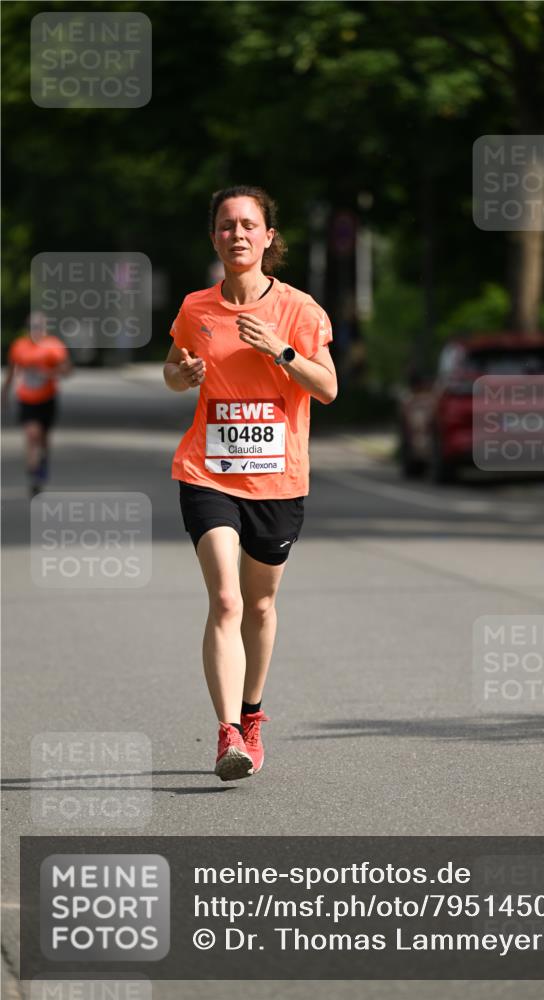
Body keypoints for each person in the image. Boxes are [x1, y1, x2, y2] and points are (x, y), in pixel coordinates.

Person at [163, 185, 337, 781]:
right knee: (227, 600)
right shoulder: (196, 309)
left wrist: (283, 352)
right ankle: (228, 734)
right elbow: (173, 370)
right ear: (214, 236)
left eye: (247, 225)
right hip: (207, 472)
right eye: (225, 225)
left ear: (267, 238)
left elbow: (329, 387)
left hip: (278, 481)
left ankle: (253, 711)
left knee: (261, 604)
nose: (236, 233)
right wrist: (181, 374)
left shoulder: (301, 310)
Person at [2, 311, 72, 496]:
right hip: (26, 398)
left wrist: (48, 373)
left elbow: (67, 370)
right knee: (32, 434)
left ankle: (42, 462)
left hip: (47, 398)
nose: (36, 331)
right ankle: (33, 471)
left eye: (40, 327)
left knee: (43, 437)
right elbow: (11, 372)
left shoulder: (53, 346)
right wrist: (4, 394)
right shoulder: (19, 347)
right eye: (33, 327)